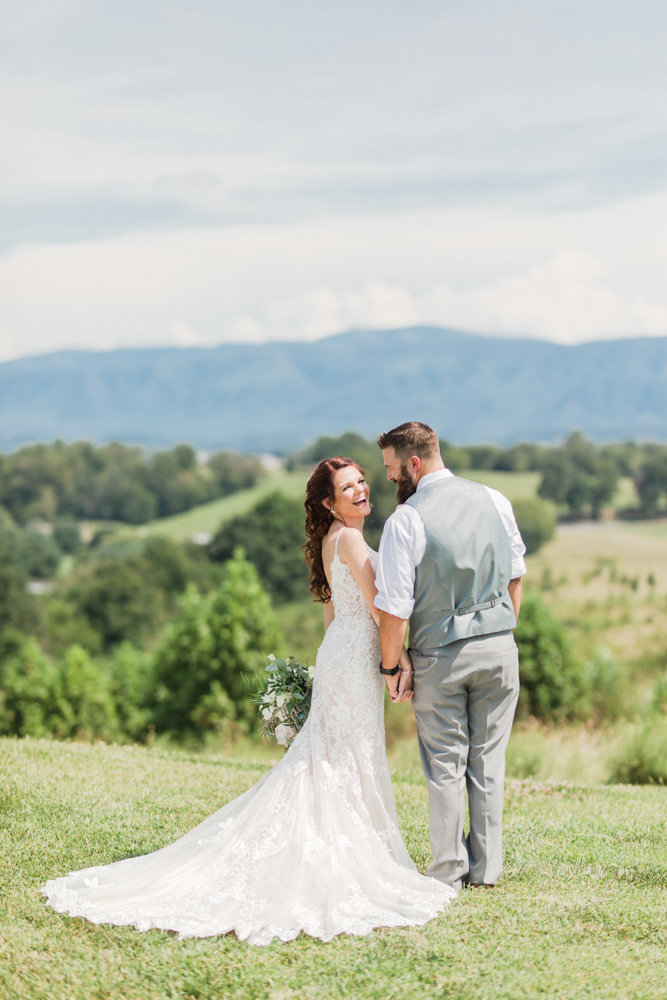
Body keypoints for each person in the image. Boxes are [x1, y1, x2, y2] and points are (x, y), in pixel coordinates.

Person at [41, 456, 454, 946]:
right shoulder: (350, 539)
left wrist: (326, 670)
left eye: (363, 481)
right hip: (355, 660)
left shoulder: (329, 541)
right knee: (347, 755)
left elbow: (332, 615)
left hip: (341, 656)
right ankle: (351, 859)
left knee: (332, 755)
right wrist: (398, 663)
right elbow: (380, 609)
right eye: (349, 487)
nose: (362, 490)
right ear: (329, 502)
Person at [374, 422, 526, 893]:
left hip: (440, 655)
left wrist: (391, 666)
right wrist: (500, 628)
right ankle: (486, 870)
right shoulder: (494, 499)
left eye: (391, 468)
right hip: (500, 649)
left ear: (413, 464)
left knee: (444, 764)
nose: (388, 478)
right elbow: (516, 575)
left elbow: (395, 610)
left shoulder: (406, 520)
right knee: (487, 761)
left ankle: (447, 872)